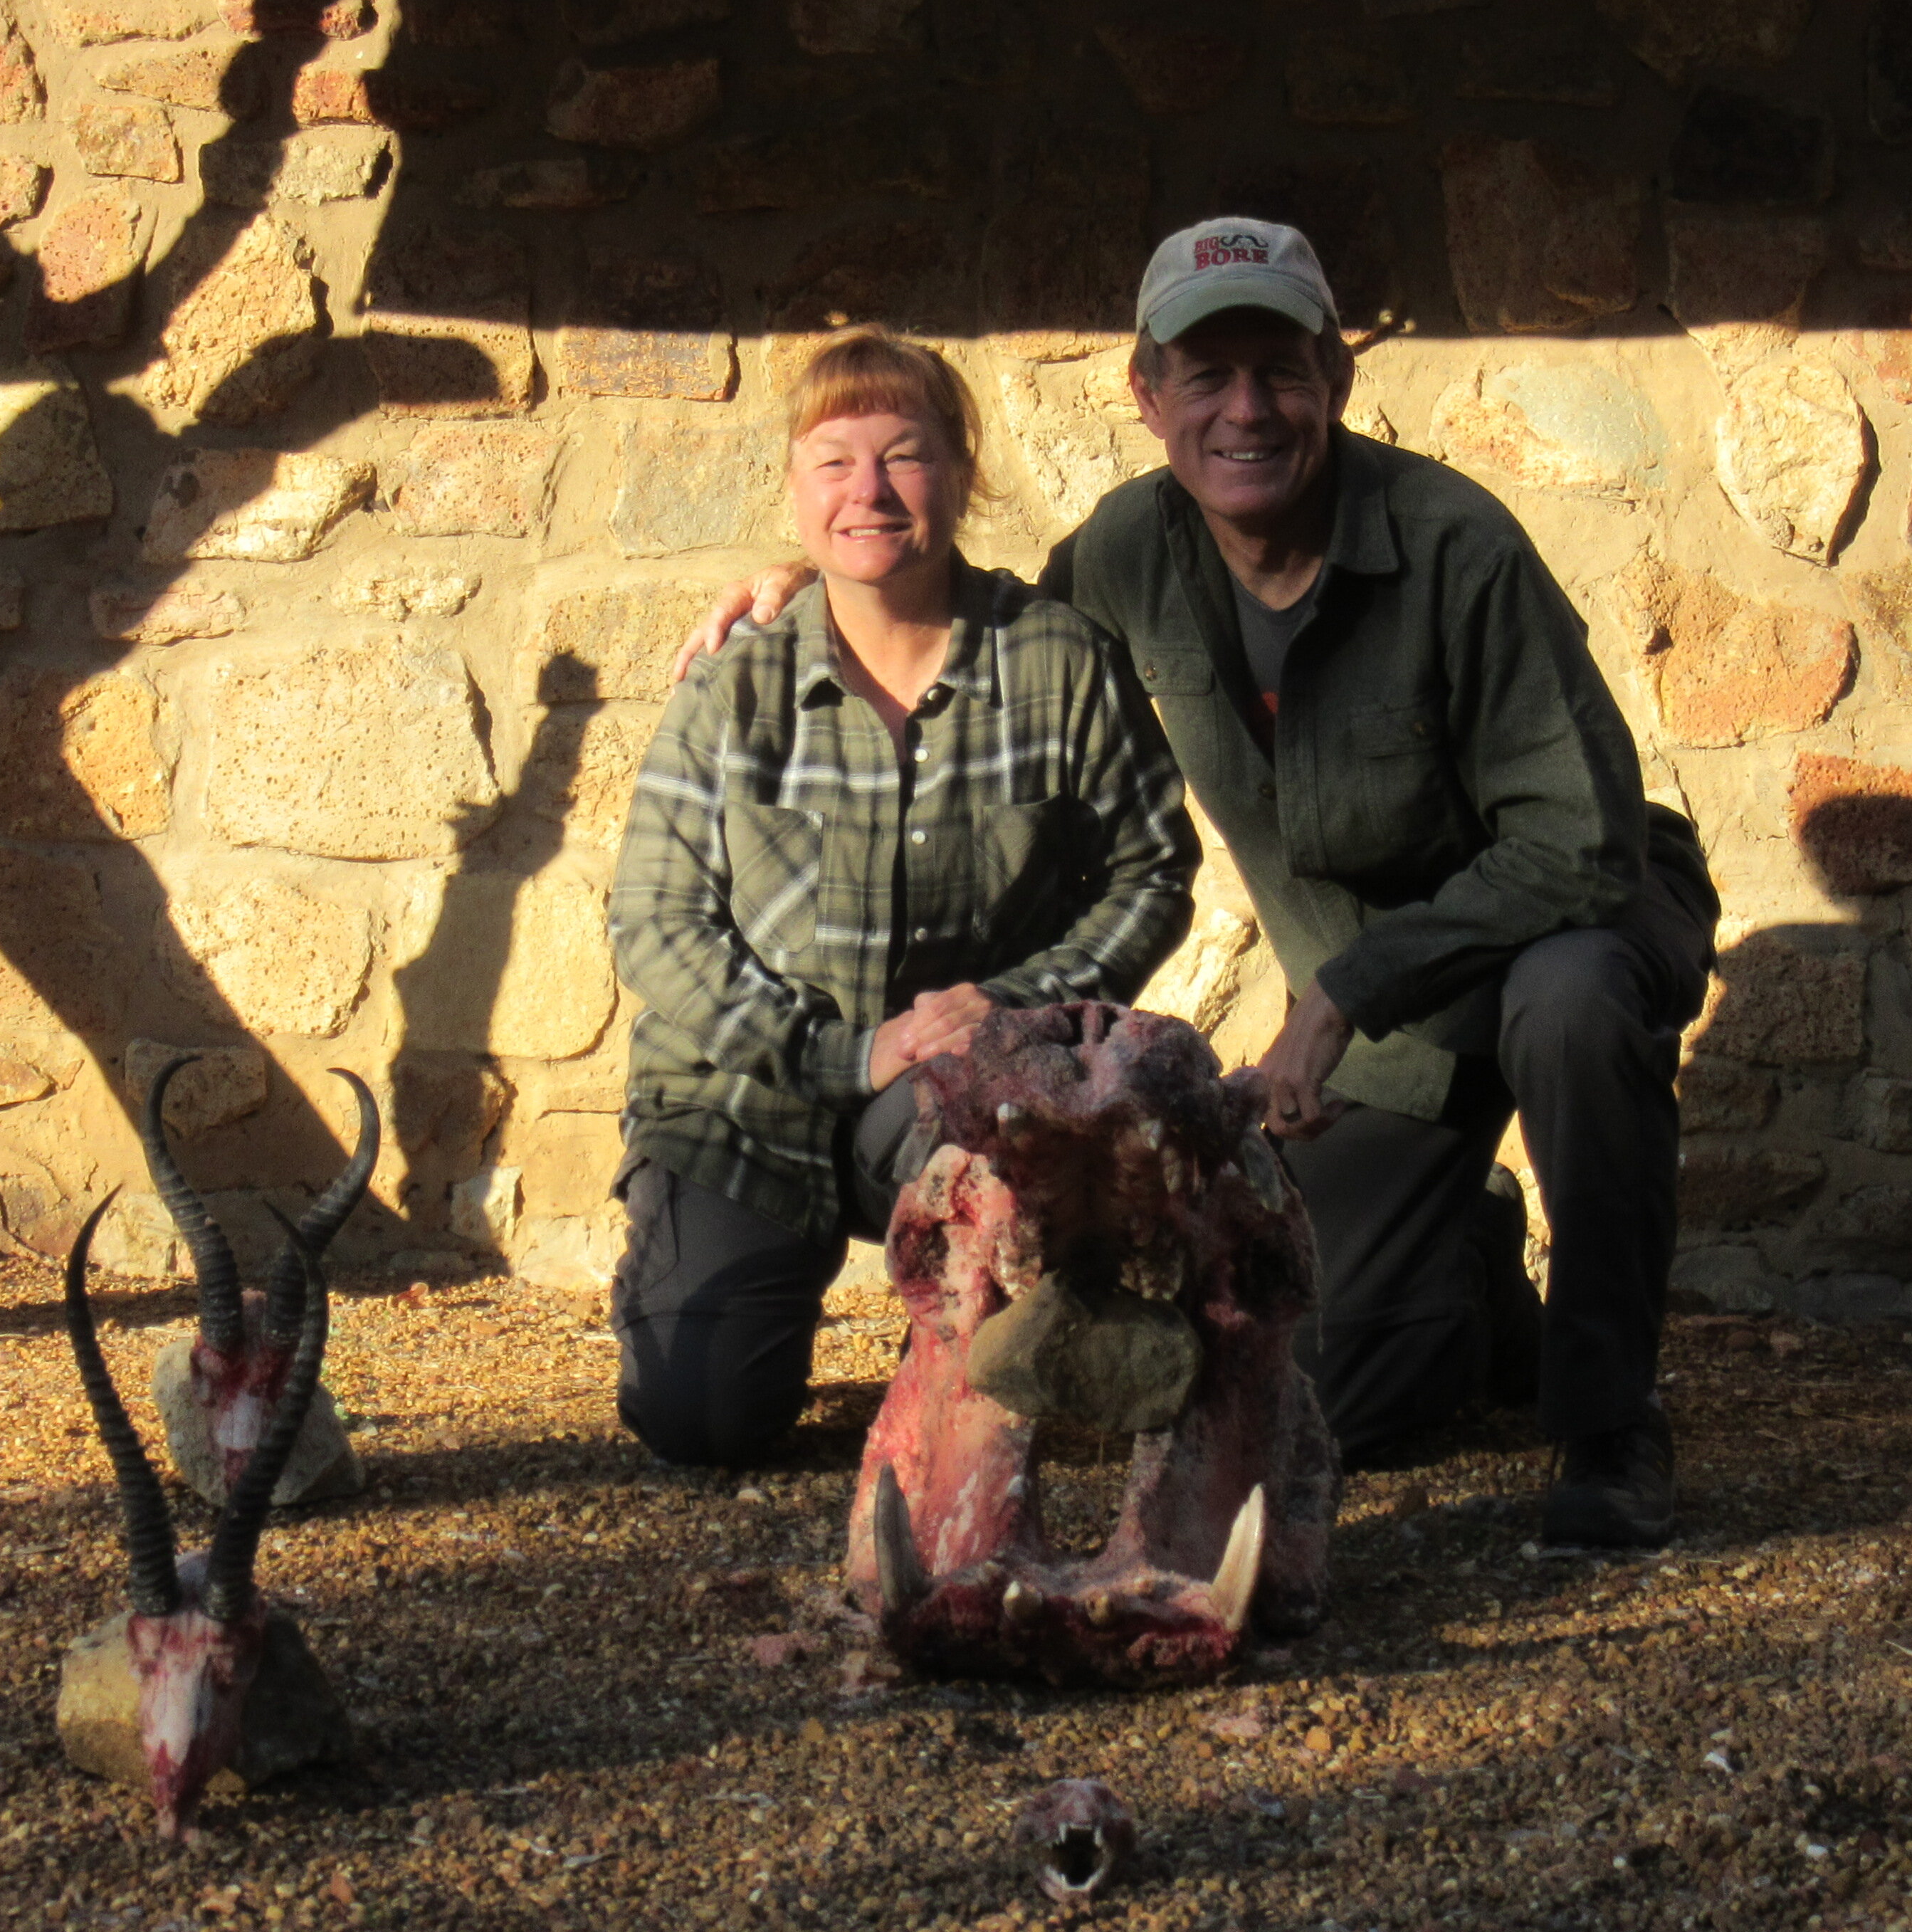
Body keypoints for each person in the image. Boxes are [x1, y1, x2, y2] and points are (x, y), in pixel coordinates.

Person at [686, 222, 1718, 1547]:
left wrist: (1340, 992)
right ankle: (1468, 1268)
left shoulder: (1456, 544)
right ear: (1148, 394)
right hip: (1394, 1019)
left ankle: (1612, 1424)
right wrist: (830, 581)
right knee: (1327, 1388)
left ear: (1335, 383)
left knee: (1569, 1003)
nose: (1247, 410)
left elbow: (1581, 842)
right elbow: (997, 643)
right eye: (1207, 374)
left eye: (1280, 371)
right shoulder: (1130, 552)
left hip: (1569, 923)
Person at [606, 328, 1197, 1469]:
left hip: (953, 1094)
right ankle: (734, 1286)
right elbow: (659, 923)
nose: (867, 492)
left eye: (904, 457)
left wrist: (1010, 1008)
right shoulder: (735, 688)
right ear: (793, 488)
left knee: (1013, 1401)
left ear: (963, 474)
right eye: (834, 462)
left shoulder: (1057, 663)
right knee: (703, 1423)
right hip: (741, 1104)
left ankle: (984, 1349)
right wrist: (846, 1053)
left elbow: (1150, 873)